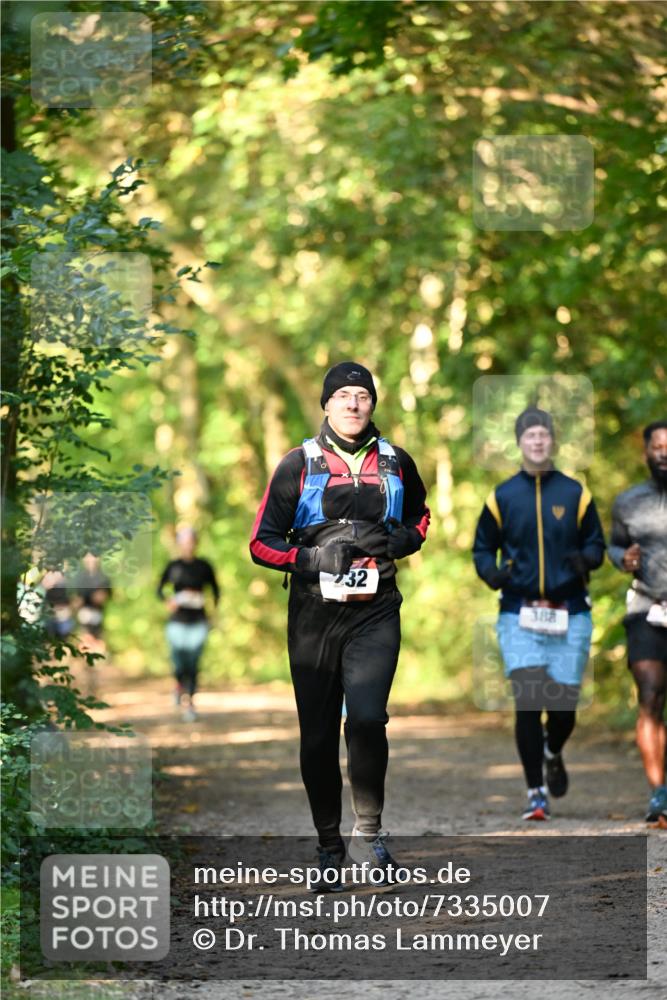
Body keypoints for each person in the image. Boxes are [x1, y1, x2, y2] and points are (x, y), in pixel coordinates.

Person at [250, 362, 430, 886]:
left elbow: (420, 515)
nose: (353, 404)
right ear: (326, 405)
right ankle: (330, 848)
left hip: (376, 610)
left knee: (369, 719)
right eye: (343, 395)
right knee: (319, 735)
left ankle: (369, 835)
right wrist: (309, 560)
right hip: (314, 616)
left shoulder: (397, 461)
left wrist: (406, 540)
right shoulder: (297, 463)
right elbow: (262, 541)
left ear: (373, 404)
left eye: (363, 396)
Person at [473, 407, 605, 821]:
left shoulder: (575, 493)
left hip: (570, 612)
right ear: (519, 442)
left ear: (553, 442)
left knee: (563, 708)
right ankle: (536, 793)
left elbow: (597, 546)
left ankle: (552, 750)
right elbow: (481, 548)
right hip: (519, 613)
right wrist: (494, 575)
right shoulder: (501, 497)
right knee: (529, 700)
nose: (537, 441)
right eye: (530, 435)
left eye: (544, 435)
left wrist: (583, 560)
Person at [608, 420, 667, 827]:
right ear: (646, 453)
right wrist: (621, 558)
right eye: (658, 446)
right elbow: (614, 544)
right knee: (649, 695)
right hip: (647, 607)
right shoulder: (628, 502)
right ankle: (659, 793)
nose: (664, 451)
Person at [157, 526, 220, 722]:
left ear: (196, 543)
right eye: (184, 542)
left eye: (191, 542)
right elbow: (159, 590)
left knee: (193, 661)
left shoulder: (204, 566)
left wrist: (213, 612)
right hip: (177, 622)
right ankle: (178, 685)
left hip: (198, 620)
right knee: (178, 660)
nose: (188, 546)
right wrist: (169, 601)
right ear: (179, 545)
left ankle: (190, 702)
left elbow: (216, 591)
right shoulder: (173, 566)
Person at [71, 552, 112, 657]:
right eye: (87, 558)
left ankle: (97, 659)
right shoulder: (80, 577)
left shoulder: (103, 577)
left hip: (98, 613)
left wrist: (103, 595)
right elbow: (76, 597)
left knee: (98, 640)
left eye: (93, 557)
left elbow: (107, 594)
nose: (90, 560)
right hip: (84, 613)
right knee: (85, 638)